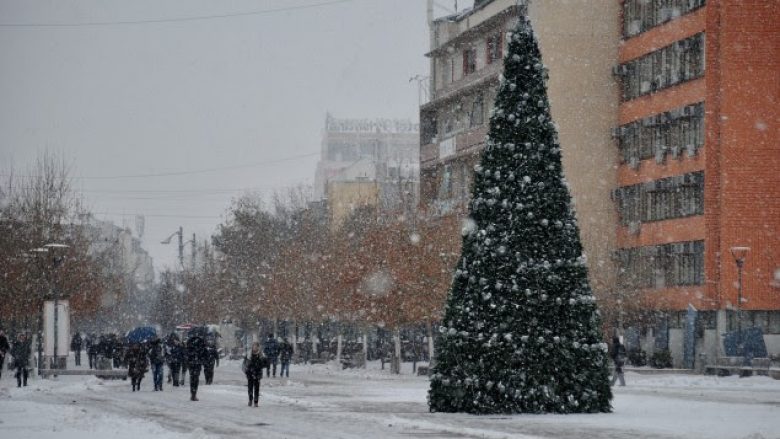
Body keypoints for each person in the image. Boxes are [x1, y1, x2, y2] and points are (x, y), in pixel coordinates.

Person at [243, 342, 267, 407]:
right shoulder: (248, 354)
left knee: (257, 388)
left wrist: (261, 364)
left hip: (257, 373)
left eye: (256, 346)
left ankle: (256, 401)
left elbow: (265, 363)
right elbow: (244, 364)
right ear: (252, 347)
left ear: (258, 347)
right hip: (250, 373)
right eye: (254, 346)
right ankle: (250, 400)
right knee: (250, 387)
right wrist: (246, 370)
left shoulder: (261, 355)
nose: (255, 348)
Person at [186, 333, 208, 401]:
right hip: (197, 363)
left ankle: (192, 394)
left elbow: (187, 353)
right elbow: (205, 354)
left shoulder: (190, 342)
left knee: (192, 378)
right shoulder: (201, 342)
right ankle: (194, 394)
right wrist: (203, 361)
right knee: (195, 379)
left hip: (191, 363)